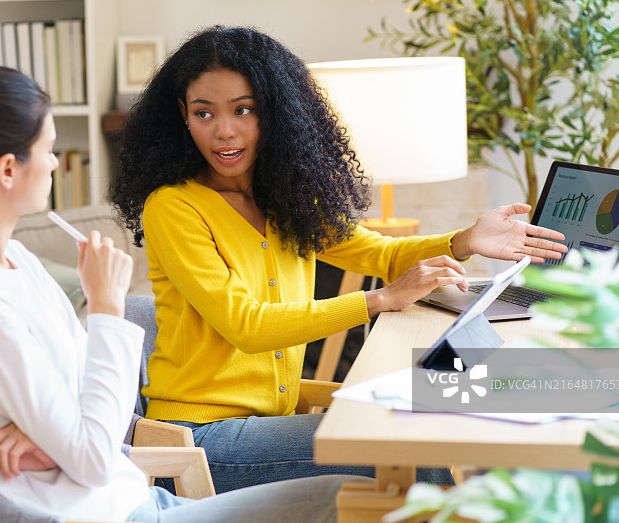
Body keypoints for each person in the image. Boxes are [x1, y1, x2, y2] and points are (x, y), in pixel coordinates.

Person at [0, 64, 366, 523]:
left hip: (135, 498)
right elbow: (96, 455)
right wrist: (104, 309)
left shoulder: (18, 264)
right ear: (8, 169)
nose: (56, 164)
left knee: (369, 482)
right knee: (373, 490)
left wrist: (49, 439)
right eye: (49, 150)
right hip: (113, 512)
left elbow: (94, 411)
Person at [111, 25, 568, 493]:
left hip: (266, 425)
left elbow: (380, 252)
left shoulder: (281, 198)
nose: (223, 131)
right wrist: (380, 301)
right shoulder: (173, 207)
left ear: (275, 113)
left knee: (447, 420)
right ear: (182, 117)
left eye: (243, 110)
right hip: (199, 445)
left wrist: (466, 240)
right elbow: (246, 325)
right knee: (413, 449)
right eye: (203, 112)